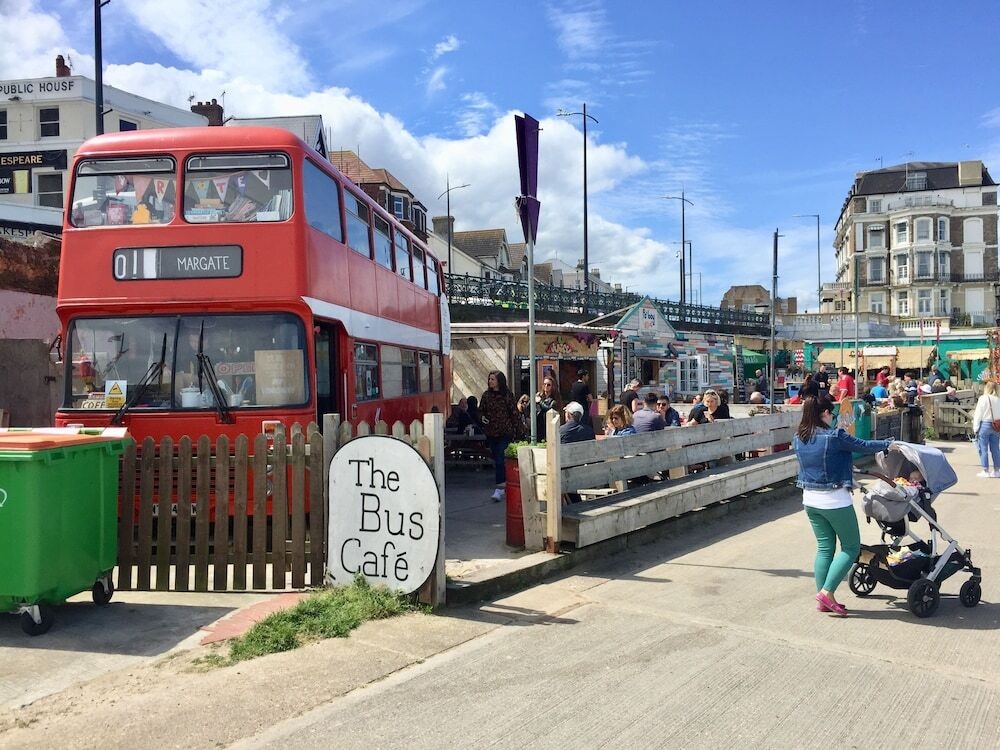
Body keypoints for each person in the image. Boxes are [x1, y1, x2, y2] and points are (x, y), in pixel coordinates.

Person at [794, 394, 894, 616]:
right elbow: (865, 445)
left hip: (810, 500)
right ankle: (827, 593)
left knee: (824, 548)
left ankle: (823, 598)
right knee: (851, 547)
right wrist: (889, 444)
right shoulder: (834, 436)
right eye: (832, 414)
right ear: (826, 414)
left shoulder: (799, 437)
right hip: (834, 500)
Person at [479, 371, 524, 502]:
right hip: (492, 433)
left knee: (500, 459)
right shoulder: (486, 396)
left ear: (499, 381)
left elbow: (514, 414)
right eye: (489, 379)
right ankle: (504, 483)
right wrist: (482, 418)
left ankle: (499, 489)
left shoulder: (507, 395)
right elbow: (481, 410)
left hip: (506, 432)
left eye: (492, 379)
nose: (490, 381)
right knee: (497, 459)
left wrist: (519, 430)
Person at [971, 380, 1000, 478]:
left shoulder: (983, 398)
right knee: (995, 449)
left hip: (985, 424)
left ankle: (985, 470)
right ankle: (997, 470)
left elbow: (978, 415)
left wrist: (975, 428)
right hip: (996, 425)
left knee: (983, 449)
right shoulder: (998, 399)